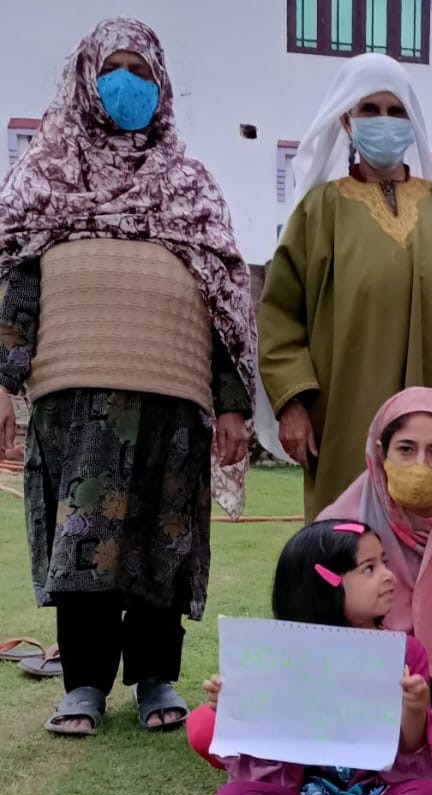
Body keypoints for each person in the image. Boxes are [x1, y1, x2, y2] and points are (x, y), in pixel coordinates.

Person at [0, 19, 255, 737]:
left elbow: (224, 304)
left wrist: (233, 406)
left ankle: (155, 678)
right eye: (113, 69)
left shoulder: (190, 187)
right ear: (86, 79)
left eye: (141, 71)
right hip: (74, 399)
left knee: (161, 539)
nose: (128, 85)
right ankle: (82, 683)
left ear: (163, 85)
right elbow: (16, 290)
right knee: (81, 538)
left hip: (173, 398)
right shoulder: (43, 180)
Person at [187, 388, 432, 779]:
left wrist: (423, 711)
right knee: (205, 726)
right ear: (381, 453)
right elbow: (309, 630)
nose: (420, 465)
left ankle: (335, 769)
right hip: (336, 697)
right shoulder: (340, 521)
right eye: (406, 449)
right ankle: (400, 769)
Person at [258, 53, 432, 521]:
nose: (384, 121)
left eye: (395, 110)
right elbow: (281, 314)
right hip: (343, 419)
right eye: (370, 110)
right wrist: (293, 405)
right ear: (346, 119)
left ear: (413, 120)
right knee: (346, 551)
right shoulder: (319, 212)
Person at [205, 521, 432, 795]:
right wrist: (236, 708)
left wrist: (415, 710)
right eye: (369, 568)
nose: (389, 576)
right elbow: (267, 749)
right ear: (326, 582)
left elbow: (411, 753)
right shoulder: (280, 655)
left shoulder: (406, 652)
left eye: (383, 562)